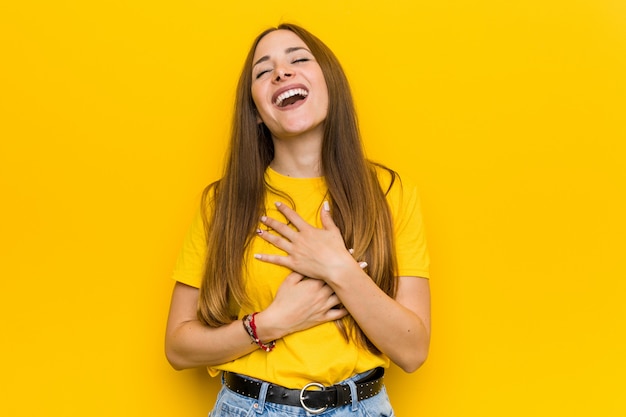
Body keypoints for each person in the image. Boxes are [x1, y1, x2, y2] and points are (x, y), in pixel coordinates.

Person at [165, 23, 431, 416]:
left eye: (298, 59)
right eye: (263, 70)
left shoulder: (390, 193)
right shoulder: (222, 202)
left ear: (330, 85)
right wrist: (267, 325)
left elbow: (413, 350)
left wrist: (337, 267)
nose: (281, 72)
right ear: (255, 111)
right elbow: (178, 346)